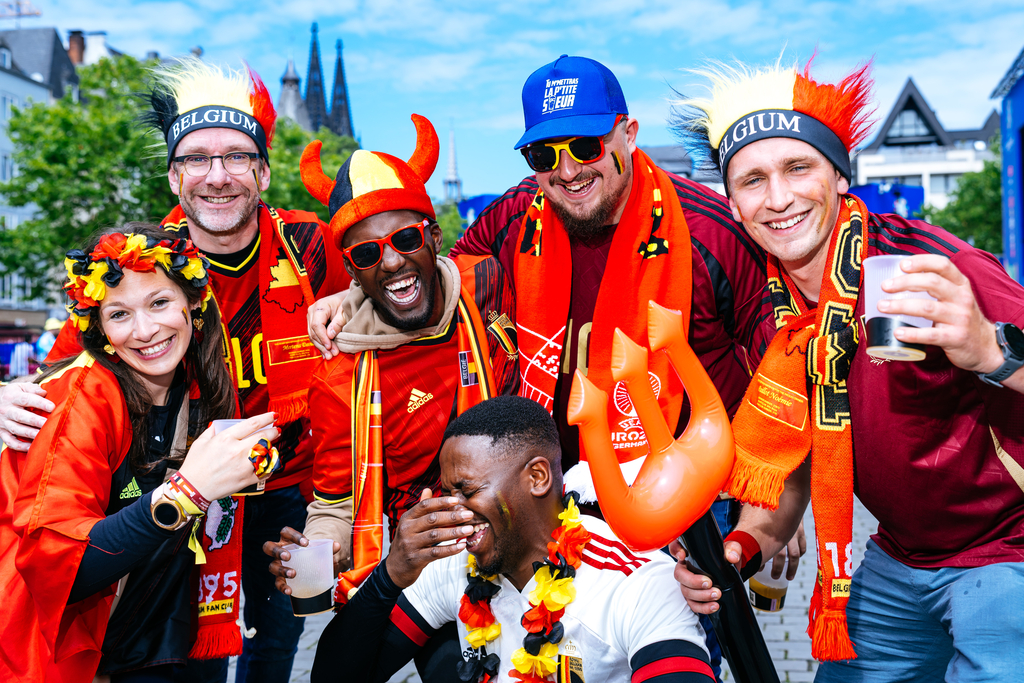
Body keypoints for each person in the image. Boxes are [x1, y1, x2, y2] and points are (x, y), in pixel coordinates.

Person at [671, 57, 1024, 681]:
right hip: (901, 555)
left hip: (1008, 547)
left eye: (797, 167)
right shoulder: (775, 320)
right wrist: (736, 553)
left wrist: (990, 353)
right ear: (734, 205)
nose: (778, 198)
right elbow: (791, 478)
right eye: (752, 180)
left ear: (839, 175)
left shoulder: (927, 266)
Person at [0, 59, 350, 682]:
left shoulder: (311, 246)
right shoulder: (142, 263)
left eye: (237, 157)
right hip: (184, 486)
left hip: (288, 487)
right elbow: (76, 366)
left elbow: (396, 296)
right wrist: (6, 396)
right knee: (192, 654)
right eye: (196, 159)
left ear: (263, 172)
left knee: (276, 647)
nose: (217, 176)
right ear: (173, 177)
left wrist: (349, 300)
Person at [264, 114, 517, 681]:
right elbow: (335, 504)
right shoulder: (340, 377)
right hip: (429, 566)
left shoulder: (488, 284)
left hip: (524, 539)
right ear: (352, 272)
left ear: (433, 237)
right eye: (366, 254)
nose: (393, 261)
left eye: (405, 240)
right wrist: (319, 552)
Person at [0, 224, 279, 682]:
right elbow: (57, 566)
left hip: (161, 631)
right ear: (99, 328)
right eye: (119, 314)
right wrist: (187, 492)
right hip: (64, 650)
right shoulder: (81, 399)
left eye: (159, 302)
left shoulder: (204, 381)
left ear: (193, 302)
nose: (146, 330)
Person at [310, 395, 714, 683]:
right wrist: (391, 575)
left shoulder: (636, 582)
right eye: (447, 493)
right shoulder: (454, 562)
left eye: (467, 491)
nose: (453, 511)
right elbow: (336, 676)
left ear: (537, 477)